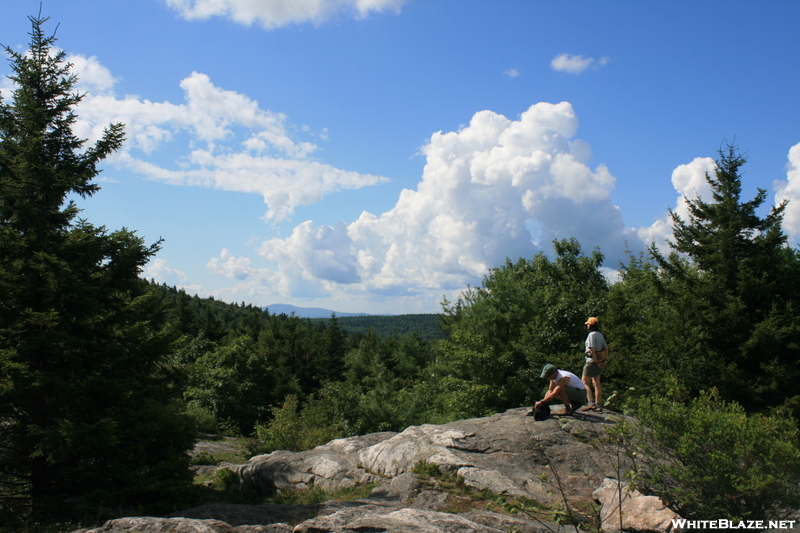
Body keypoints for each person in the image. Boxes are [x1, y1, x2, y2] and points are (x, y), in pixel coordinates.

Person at [581, 317, 608, 412]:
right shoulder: (600, 335)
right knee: (596, 383)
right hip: (599, 360)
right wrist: (603, 360)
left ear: (591, 325)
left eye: (588, 324)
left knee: (584, 382)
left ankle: (591, 403)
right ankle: (598, 404)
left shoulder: (591, 335)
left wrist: (596, 362)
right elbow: (606, 348)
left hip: (591, 361)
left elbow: (591, 349)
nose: (587, 325)